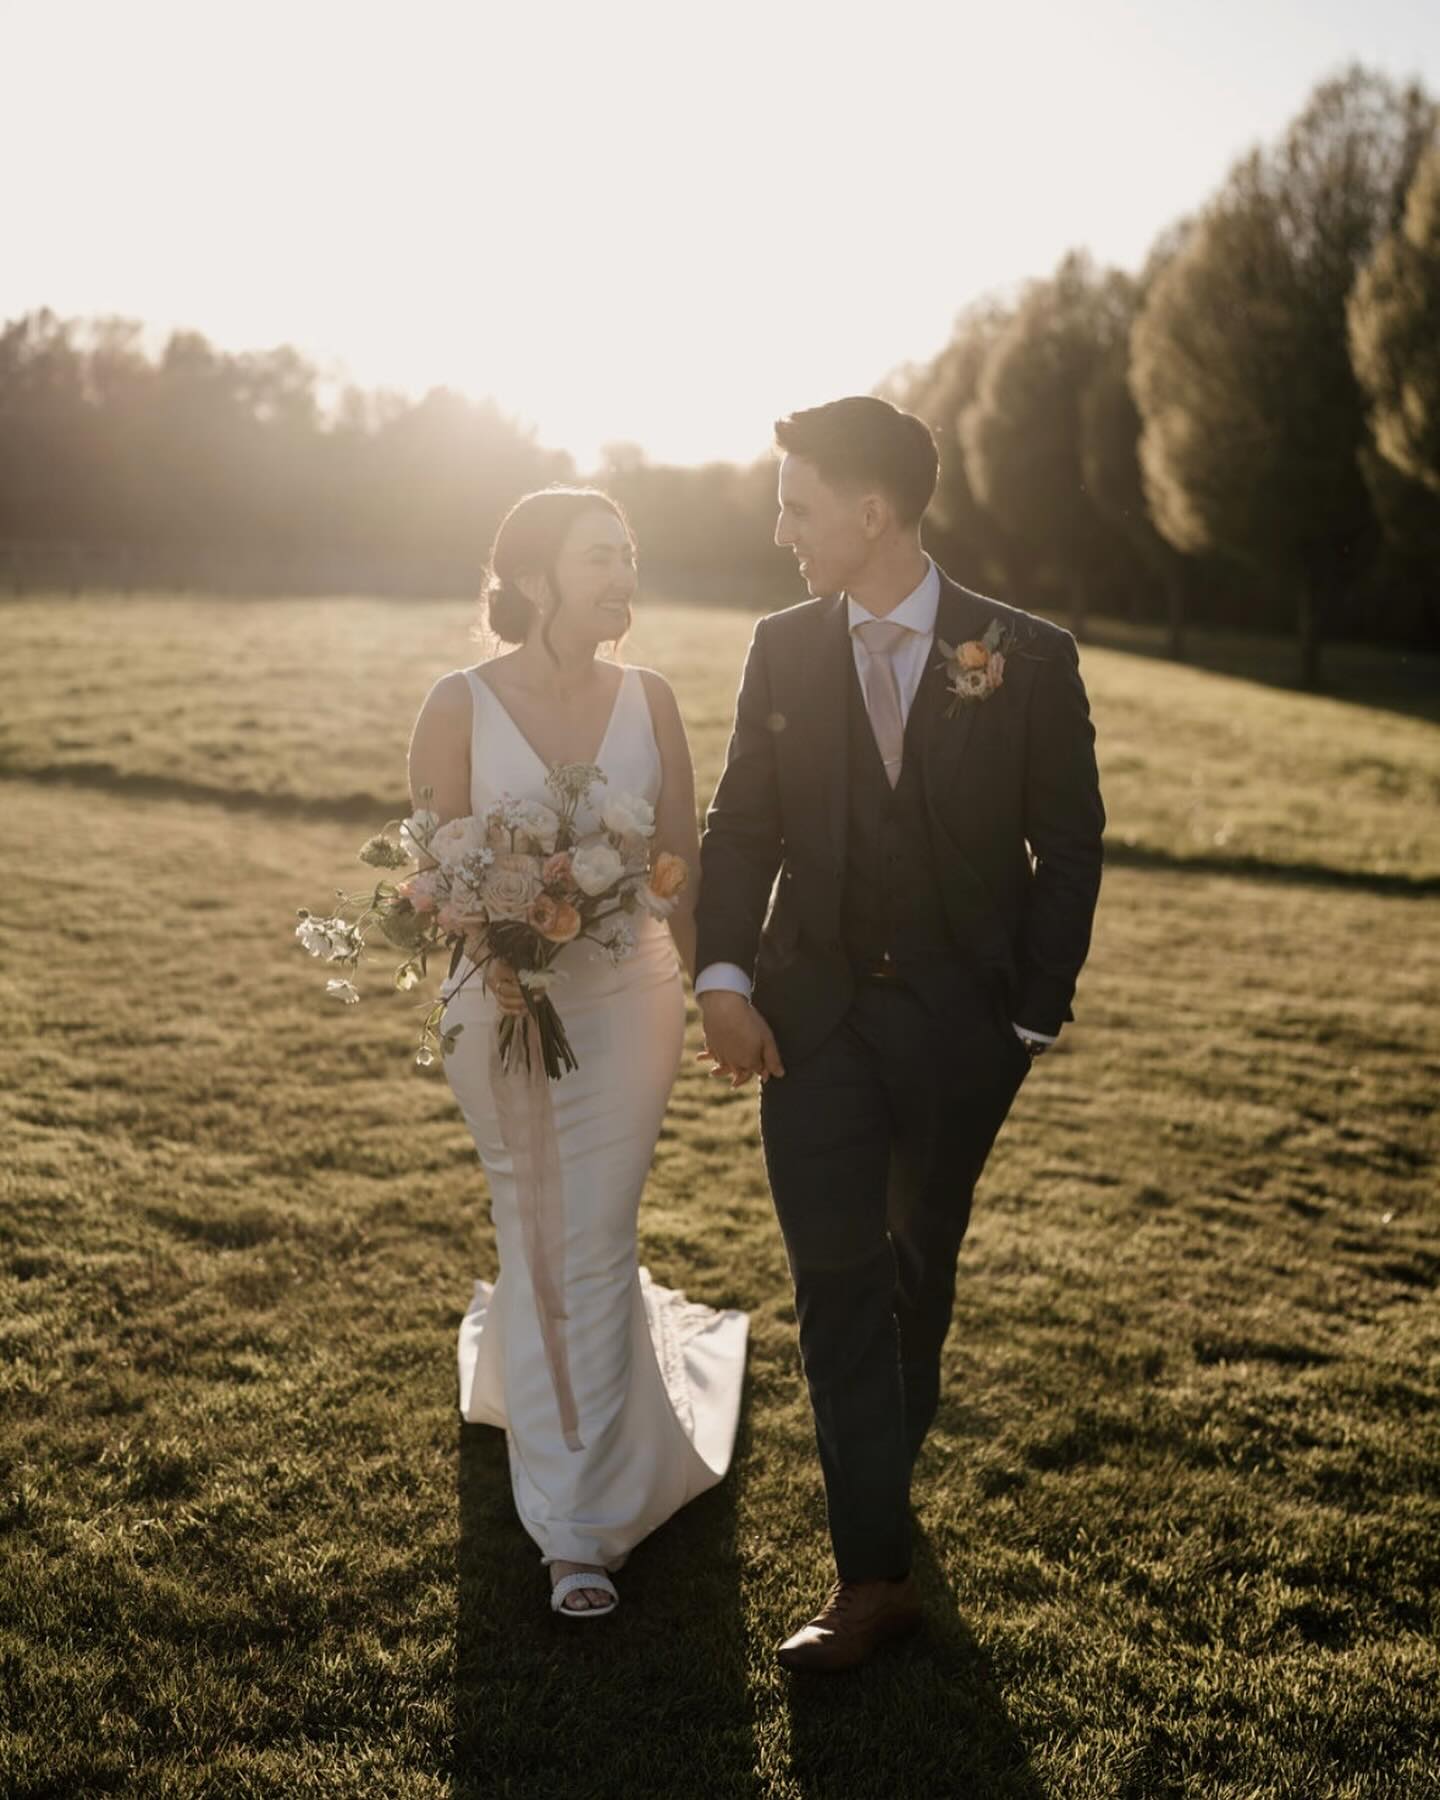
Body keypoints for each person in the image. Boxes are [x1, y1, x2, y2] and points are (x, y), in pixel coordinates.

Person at [694, 397, 1104, 1671]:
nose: (780, 530)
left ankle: (882, 1494)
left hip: (959, 1030)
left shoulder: (1023, 655)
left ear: (871, 513)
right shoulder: (781, 647)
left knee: (916, 1269)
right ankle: (873, 1577)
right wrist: (720, 975)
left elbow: (1070, 840)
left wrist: (1029, 1014)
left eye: (797, 505)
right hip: (806, 1020)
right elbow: (743, 827)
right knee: (835, 1285)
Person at [409, 487, 747, 1619]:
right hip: (493, 1002)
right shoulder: (456, 705)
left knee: (589, 1234)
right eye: (601, 557)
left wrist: (713, 992)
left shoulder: (651, 701)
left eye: (629, 556)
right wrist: (496, 933)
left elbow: (682, 865)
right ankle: (553, 1421)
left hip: (629, 1003)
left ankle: (580, 1531)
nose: (623, 575)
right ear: (539, 576)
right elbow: (432, 877)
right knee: (532, 1222)